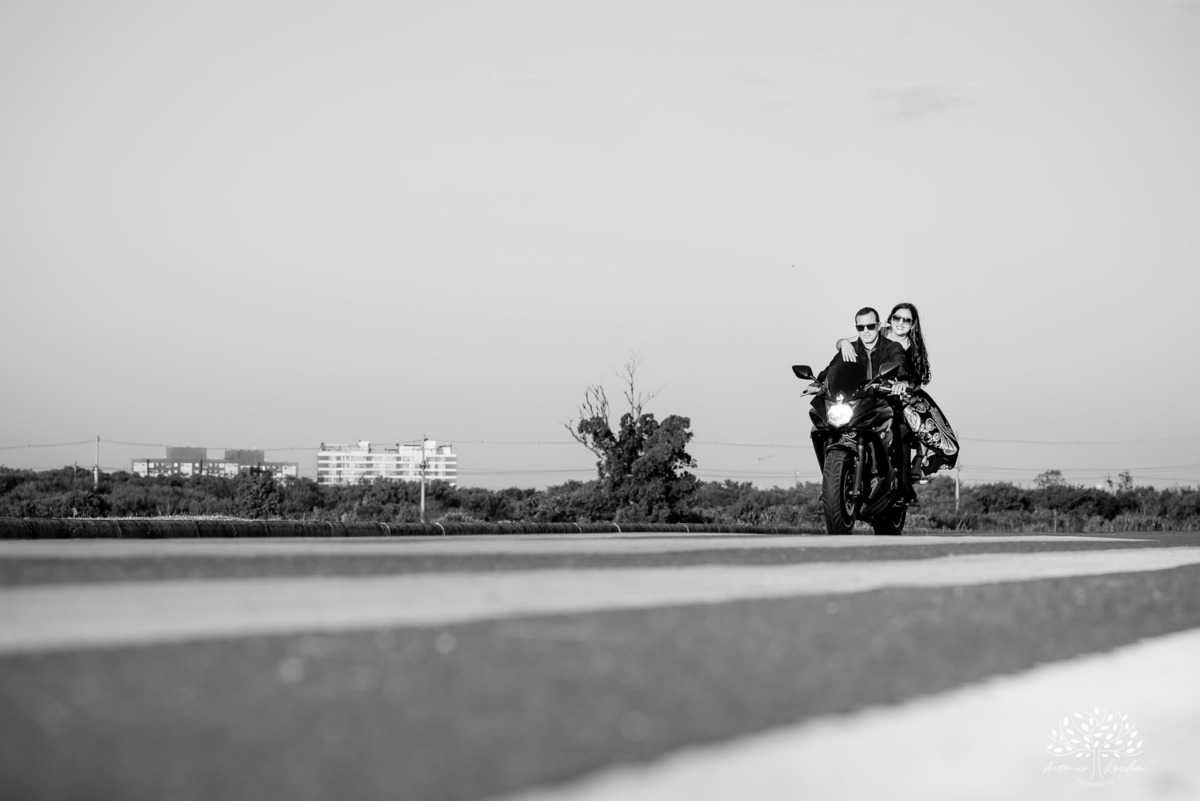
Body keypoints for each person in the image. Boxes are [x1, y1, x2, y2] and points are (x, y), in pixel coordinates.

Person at [837, 302, 958, 476]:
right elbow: (850, 341)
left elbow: (917, 379)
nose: (900, 322)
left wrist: (902, 385)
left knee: (914, 420)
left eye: (906, 320)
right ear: (890, 319)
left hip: (904, 391)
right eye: (896, 317)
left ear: (913, 324)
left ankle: (917, 460)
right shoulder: (878, 332)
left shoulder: (913, 346)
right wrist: (843, 343)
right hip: (872, 389)